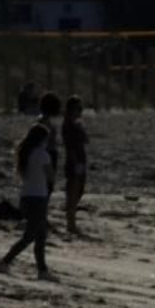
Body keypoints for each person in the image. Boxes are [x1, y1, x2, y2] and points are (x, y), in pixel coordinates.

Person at [0, 123, 54, 279]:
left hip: (26, 197)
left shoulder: (26, 153)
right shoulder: (42, 154)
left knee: (40, 235)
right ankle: (5, 261)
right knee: (30, 236)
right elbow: (50, 176)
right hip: (38, 198)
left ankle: (42, 270)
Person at [61, 96, 88, 237]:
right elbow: (70, 147)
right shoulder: (68, 125)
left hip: (80, 159)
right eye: (78, 108)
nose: (81, 111)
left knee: (79, 190)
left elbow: (86, 140)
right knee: (73, 191)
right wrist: (76, 162)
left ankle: (71, 221)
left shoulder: (75, 124)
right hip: (74, 161)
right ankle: (70, 223)